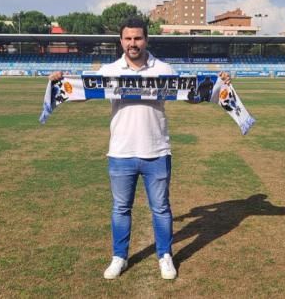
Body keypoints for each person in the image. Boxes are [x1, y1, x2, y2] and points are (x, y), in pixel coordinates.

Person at [49, 17, 232, 280]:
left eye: (137, 38)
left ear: (146, 39)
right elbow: (82, 93)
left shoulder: (164, 69)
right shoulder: (110, 69)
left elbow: (190, 95)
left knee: (161, 208)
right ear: (121, 41)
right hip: (121, 152)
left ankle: (165, 255)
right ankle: (119, 257)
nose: (132, 43)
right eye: (128, 38)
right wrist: (59, 82)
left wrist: (218, 82)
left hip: (157, 151)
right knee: (121, 208)